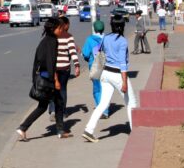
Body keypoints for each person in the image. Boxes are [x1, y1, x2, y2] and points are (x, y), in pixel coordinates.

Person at [82, 15, 138, 143]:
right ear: (122, 26)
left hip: (105, 74)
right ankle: (135, 131)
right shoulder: (122, 41)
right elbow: (123, 63)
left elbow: (100, 52)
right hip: (117, 74)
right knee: (131, 103)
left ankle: (89, 130)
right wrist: (124, 82)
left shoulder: (106, 37)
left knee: (102, 103)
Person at [16, 18, 73, 141]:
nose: (61, 30)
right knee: (57, 103)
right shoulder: (52, 42)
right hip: (49, 79)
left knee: (48, 105)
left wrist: (34, 79)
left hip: (43, 77)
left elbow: (36, 62)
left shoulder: (45, 41)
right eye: (59, 28)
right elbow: (50, 63)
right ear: (53, 29)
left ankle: (24, 128)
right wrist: (56, 80)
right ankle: (58, 130)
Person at [48, 16, 80, 120]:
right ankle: (62, 112)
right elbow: (72, 52)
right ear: (65, 25)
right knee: (62, 90)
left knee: (53, 89)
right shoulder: (68, 36)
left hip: (53, 68)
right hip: (65, 68)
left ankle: (53, 111)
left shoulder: (54, 35)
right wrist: (77, 65)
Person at [81, 20, 109, 119]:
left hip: (95, 67)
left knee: (97, 88)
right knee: (106, 88)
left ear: (94, 28)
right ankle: (106, 109)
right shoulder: (107, 38)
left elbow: (85, 54)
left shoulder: (90, 39)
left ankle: (102, 111)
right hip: (107, 66)